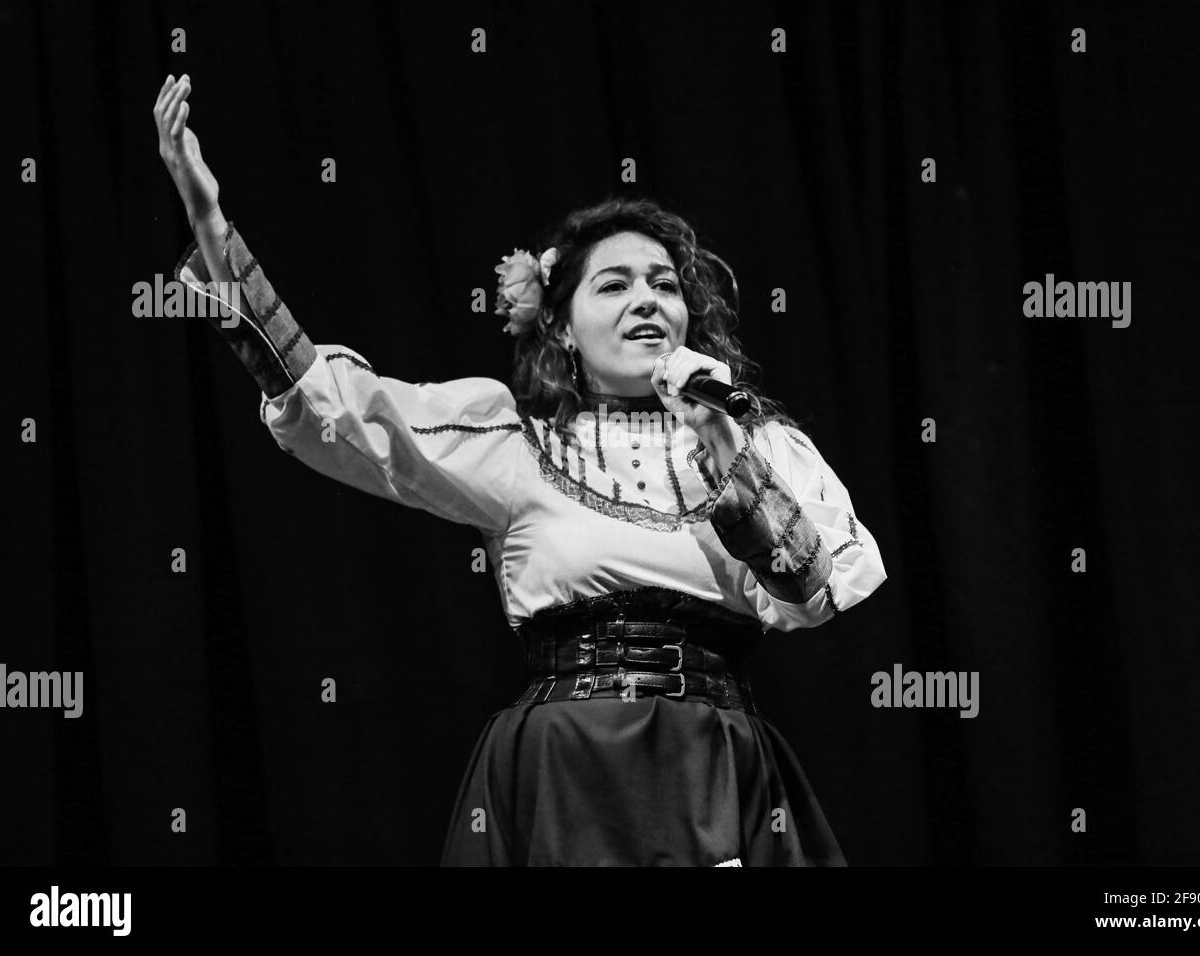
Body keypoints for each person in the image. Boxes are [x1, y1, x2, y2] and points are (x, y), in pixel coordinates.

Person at [154, 73, 888, 866]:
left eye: (665, 286)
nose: (647, 300)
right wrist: (210, 220)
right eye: (615, 285)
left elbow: (810, 595)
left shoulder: (756, 445)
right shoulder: (519, 445)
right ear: (564, 329)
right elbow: (338, 406)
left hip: (711, 765)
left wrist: (720, 437)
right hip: (563, 765)